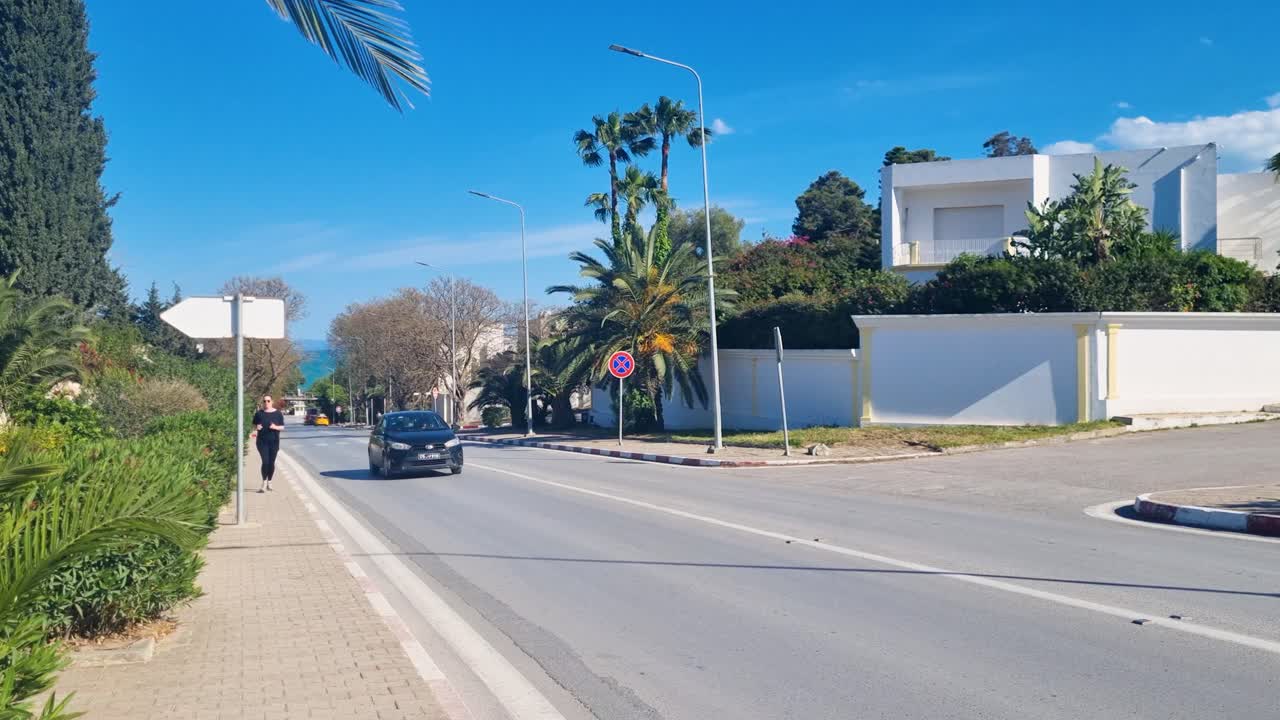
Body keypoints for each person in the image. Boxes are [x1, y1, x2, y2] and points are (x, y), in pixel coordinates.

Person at [252, 394, 285, 492]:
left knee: (271, 463)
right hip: (262, 442)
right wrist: (256, 428)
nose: (266, 403)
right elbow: (254, 425)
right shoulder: (259, 413)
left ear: (272, 402)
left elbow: (282, 427)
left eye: (268, 401)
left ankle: (269, 481)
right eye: (264, 401)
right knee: (265, 462)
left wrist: (275, 427)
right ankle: (264, 482)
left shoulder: (278, 414)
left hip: (274, 442)